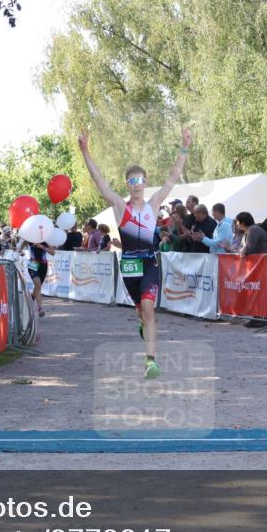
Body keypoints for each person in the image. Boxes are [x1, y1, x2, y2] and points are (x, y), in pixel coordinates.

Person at [79, 126, 191, 379]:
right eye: (132, 181)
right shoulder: (120, 206)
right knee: (142, 312)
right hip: (129, 266)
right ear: (127, 185)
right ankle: (143, 324)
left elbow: (174, 176)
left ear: (145, 182)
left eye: (140, 181)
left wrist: (184, 147)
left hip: (149, 262)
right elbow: (99, 181)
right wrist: (86, 151)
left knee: (149, 308)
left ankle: (150, 361)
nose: (137, 185)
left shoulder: (154, 204)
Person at [24, 240, 54, 317]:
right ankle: (40, 308)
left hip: (43, 265)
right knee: (37, 284)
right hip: (33, 263)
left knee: (38, 287)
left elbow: (52, 252)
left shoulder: (46, 239)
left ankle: (31, 299)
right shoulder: (30, 238)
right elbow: (18, 247)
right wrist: (20, 251)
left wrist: (42, 247)